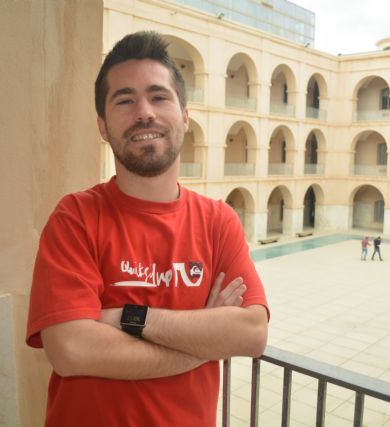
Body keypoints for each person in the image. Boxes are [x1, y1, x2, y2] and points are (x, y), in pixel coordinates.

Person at [25, 31, 269, 427]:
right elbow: (71, 350)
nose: (144, 112)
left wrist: (129, 317)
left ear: (185, 117)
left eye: (158, 96)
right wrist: (202, 345)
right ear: (103, 127)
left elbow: (252, 332)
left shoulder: (218, 221)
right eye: (125, 100)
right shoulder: (75, 218)